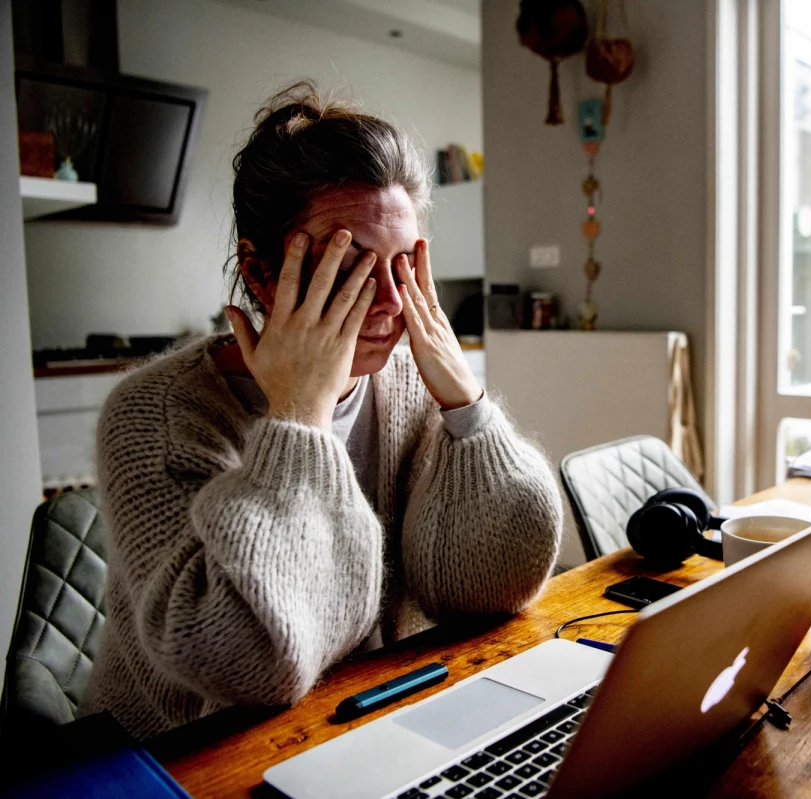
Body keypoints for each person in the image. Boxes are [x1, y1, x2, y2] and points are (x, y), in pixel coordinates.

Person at [79, 83, 563, 740]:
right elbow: (249, 665)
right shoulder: (153, 415)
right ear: (258, 274)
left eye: (404, 266)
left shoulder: (408, 381)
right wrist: (299, 417)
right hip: (183, 755)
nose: (392, 300)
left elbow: (491, 583)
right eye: (351, 266)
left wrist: (467, 406)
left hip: (363, 717)